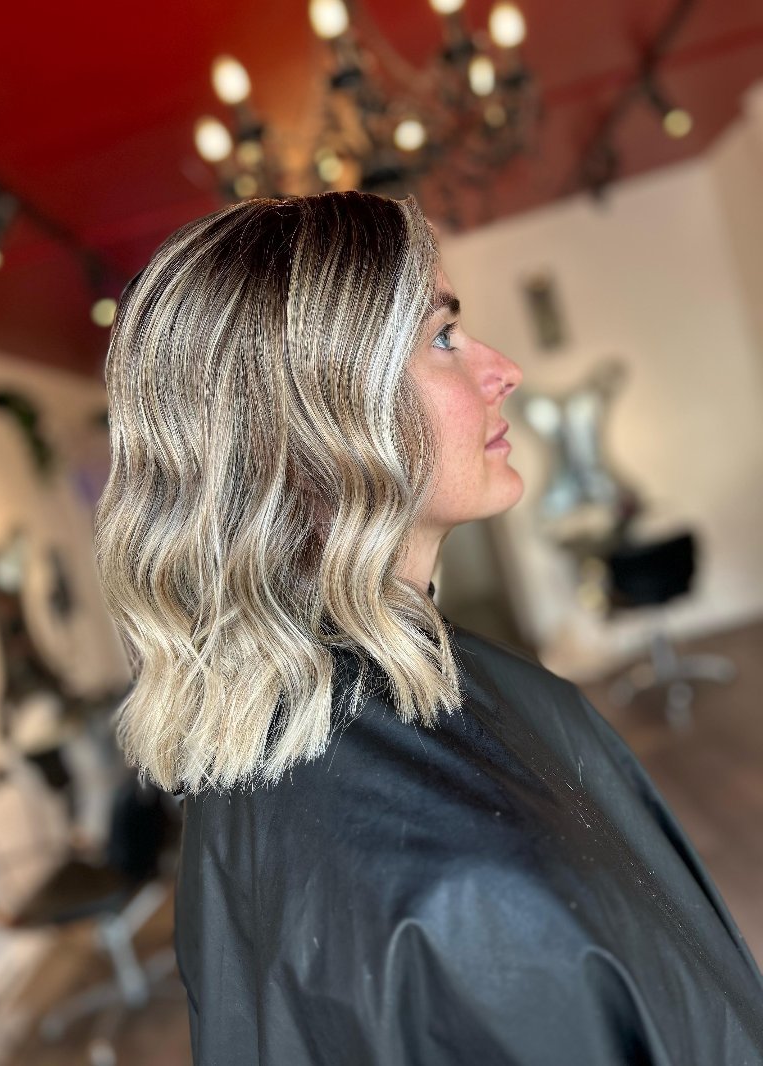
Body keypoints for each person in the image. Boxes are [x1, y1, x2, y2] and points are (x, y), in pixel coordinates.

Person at [93, 190, 763, 1065]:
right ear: (317, 420)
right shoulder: (463, 881)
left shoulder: (255, 743)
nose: (503, 369)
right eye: (443, 337)